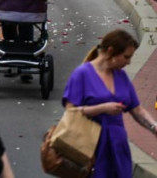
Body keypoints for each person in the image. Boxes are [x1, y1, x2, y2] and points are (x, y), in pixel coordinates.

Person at [62, 29, 157, 178]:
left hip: (117, 147)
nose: (128, 62)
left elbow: (137, 109)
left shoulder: (121, 76)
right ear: (111, 51)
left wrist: (153, 126)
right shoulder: (82, 74)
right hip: (90, 146)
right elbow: (71, 112)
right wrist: (102, 108)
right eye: (126, 57)